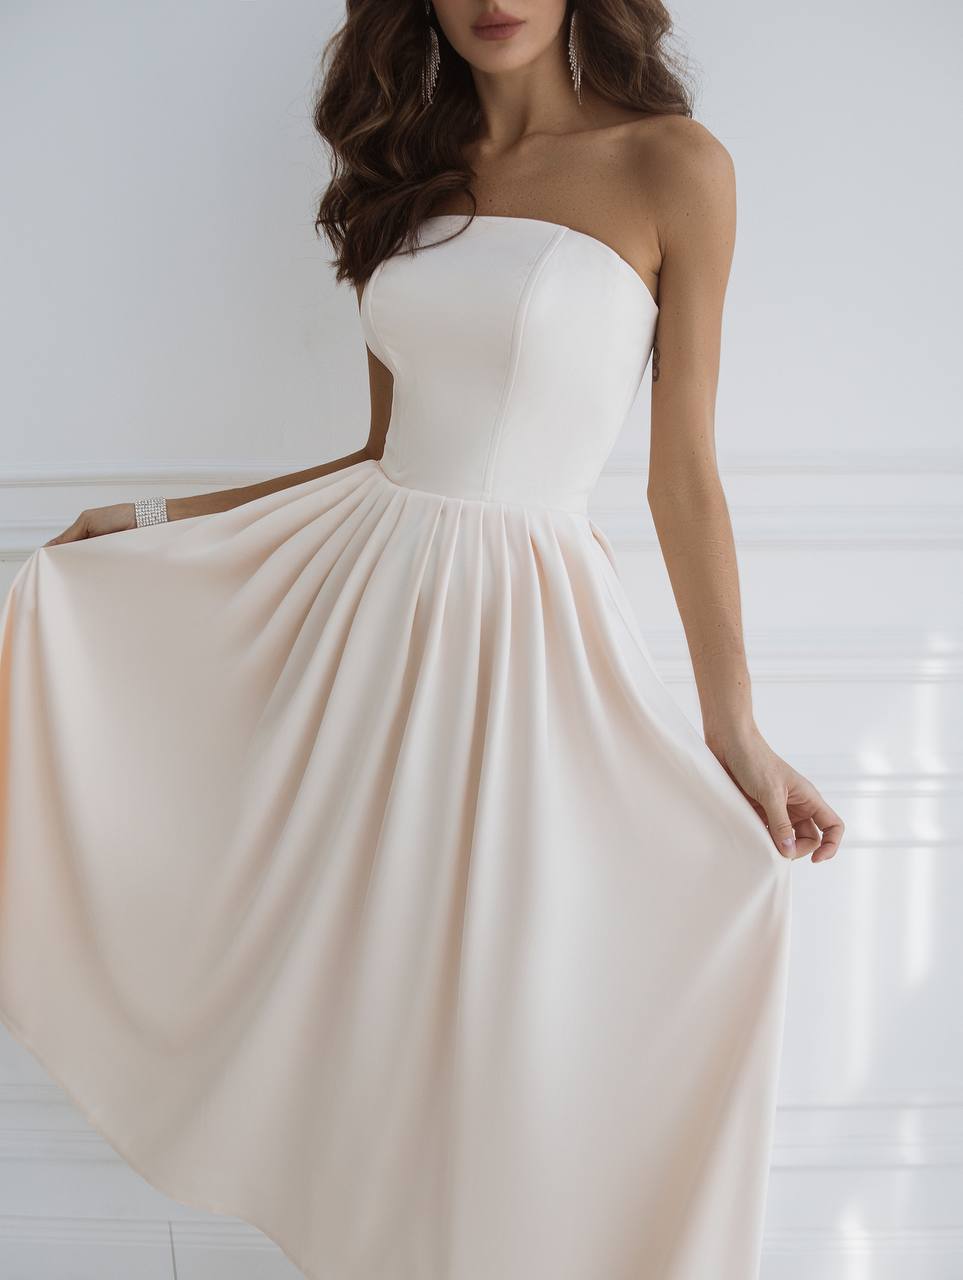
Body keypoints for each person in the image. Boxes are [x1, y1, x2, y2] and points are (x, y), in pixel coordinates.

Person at [0, 3, 844, 1278]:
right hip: (371, 628)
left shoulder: (674, 164)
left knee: (510, 1024)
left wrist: (737, 729)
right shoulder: (406, 173)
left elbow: (686, 476)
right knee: (367, 1020)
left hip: (528, 646)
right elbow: (381, 455)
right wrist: (154, 516)